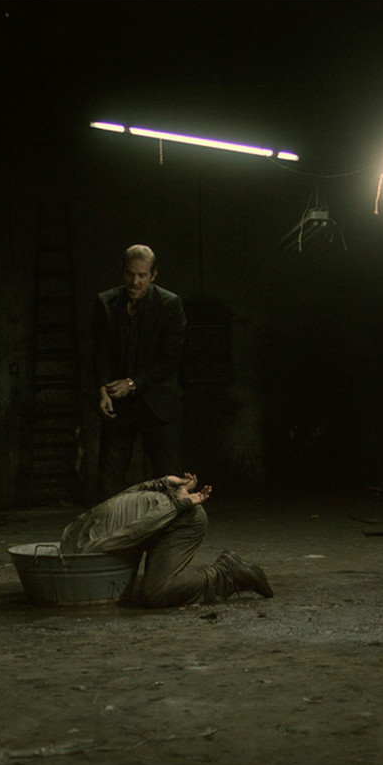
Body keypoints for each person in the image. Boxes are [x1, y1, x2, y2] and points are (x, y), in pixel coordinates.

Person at [60, 473, 273, 608]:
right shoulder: (94, 516)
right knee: (146, 584)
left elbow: (137, 530)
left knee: (155, 593)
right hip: (167, 515)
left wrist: (178, 504)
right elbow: (131, 493)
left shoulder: (92, 542)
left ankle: (226, 573)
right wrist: (162, 483)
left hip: (183, 521)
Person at [93, 244, 186, 502]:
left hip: (159, 403)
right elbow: (100, 353)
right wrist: (102, 389)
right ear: (121, 272)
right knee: (108, 480)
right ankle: (109, 528)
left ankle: (171, 528)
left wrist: (132, 383)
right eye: (130, 274)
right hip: (119, 403)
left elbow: (171, 360)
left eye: (142, 275)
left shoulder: (169, 304)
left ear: (154, 275)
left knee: (170, 481)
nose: (135, 282)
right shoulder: (106, 303)